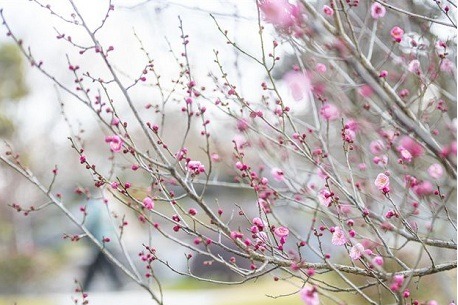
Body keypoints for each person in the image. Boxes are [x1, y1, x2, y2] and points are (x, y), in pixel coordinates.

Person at [82, 199, 123, 291]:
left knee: (102, 263)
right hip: (107, 239)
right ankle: (118, 284)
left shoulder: (94, 207)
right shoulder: (107, 207)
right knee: (103, 263)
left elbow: (90, 224)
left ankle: (86, 286)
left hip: (100, 240)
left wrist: (87, 237)